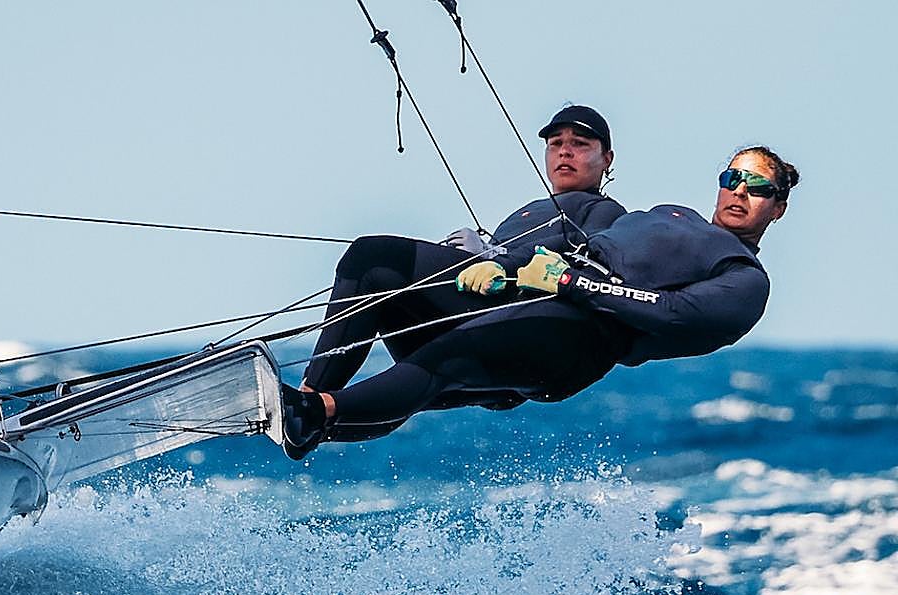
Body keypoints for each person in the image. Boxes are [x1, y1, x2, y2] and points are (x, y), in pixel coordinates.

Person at [281, 145, 799, 459]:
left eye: (757, 187)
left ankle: (318, 413)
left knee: (449, 357)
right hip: (534, 289)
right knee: (375, 260)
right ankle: (306, 400)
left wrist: (571, 284)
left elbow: (670, 313)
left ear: (778, 208)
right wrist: (501, 264)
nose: (739, 191)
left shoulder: (745, 279)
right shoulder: (669, 212)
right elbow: (577, 244)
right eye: (732, 178)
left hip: (580, 336)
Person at [298, 105, 625, 443]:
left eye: (580, 143)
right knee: (386, 302)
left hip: (519, 330)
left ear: (607, 159)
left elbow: (579, 251)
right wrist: (478, 254)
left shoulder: (607, 212)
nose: (565, 151)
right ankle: (309, 422)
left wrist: (495, 256)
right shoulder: (525, 213)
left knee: (373, 257)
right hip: (475, 335)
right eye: (555, 143)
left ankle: (309, 397)